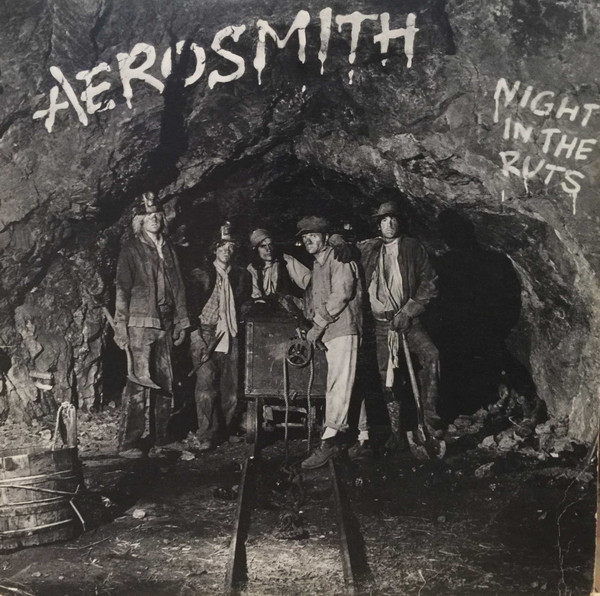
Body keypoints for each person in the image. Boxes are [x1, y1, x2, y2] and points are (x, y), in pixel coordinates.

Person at [357, 201, 440, 449]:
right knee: (388, 377)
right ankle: (396, 433)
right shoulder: (369, 248)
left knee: (431, 356)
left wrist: (410, 310)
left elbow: (430, 281)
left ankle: (429, 422)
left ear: (400, 222)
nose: (389, 224)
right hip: (381, 324)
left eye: (393, 219)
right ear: (378, 225)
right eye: (384, 220)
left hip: (408, 320)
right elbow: (346, 251)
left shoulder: (412, 247)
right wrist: (337, 240)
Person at [114, 191, 190, 458]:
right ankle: (129, 443)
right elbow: (122, 289)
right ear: (139, 221)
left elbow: (179, 286)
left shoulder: (169, 248)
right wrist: (121, 327)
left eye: (157, 214)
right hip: (140, 322)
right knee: (138, 382)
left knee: (165, 382)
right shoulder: (131, 249)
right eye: (148, 216)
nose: (154, 219)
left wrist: (182, 321)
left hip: (166, 321)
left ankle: (161, 439)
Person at [298, 216, 363, 470]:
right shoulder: (318, 263)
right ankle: (352, 437)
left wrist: (317, 326)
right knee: (340, 384)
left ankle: (330, 441)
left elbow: (342, 293)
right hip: (332, 332)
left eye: (313, 236)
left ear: (325, 237)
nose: (308, 241)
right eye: (305, 238)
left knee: (339, 384)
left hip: (344, 329)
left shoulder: (337, 256)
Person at [187, 223, 252, 452]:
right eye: (222, 246)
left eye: (231, 246)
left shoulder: (241, 275)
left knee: (231, 387)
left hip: (231, 332)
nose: (227, 250)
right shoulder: (200, 274)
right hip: (206, 331)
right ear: (214, 249)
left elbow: (245, 303)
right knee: (206, 385)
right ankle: (206, 433)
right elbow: (189, 308)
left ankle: (224, 431)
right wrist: (196, 337)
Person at [247, 228, 311, 302]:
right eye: (263, 246)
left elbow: (307, 280)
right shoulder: (252, 268)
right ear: (256, 250)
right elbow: (255, 294)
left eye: (270, 245)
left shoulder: (286, 260)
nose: (269, 249)